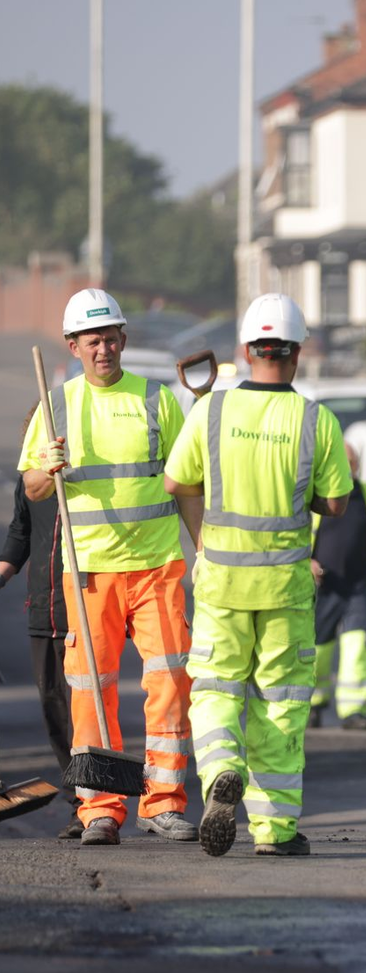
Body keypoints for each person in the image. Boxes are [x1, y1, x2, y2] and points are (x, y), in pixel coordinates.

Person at [164, 293, 352, 858]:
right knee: (281, 704)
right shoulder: (316, 420)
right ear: (297, 353)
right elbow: (338, 504)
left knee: (216, 691)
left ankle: (222, 768)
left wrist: (205, 537)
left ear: (246, 351)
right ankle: (274, 831)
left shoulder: (210, 410)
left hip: (220, 579)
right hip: (285, 587)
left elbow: (177, 484)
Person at [19, 289, 200, 847]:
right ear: (74, 346)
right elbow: (30, 487)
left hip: (156, 567)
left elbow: (186, 481)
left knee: (170, 682)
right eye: (93, 339)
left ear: (124, 338)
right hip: (91, 570)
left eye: (112, 336)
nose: (105, 348)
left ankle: (163, 803)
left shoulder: (157, 399)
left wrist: (207, 551)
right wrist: (48, 469)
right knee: (90, 690)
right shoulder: (58, 405)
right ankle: (101, 809)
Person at [1, 412, 79, 838]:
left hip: (84, 604)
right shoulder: (30, 479)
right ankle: (79, 797)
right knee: (54, 709)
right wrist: (3, 573)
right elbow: (20, 531)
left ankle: (90, 802)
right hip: (43, 608)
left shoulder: (83, 473)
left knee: (81, 708)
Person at [310, 442, 366, 731]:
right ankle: (313, 705)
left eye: (352, 461)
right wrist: (305, 562)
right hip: (323, 586)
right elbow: (297, 532)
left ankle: (354, 711)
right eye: (342, 460)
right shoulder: (315, 492)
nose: (348, 466)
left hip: (359, 585)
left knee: (358, 647)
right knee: (317, 650)